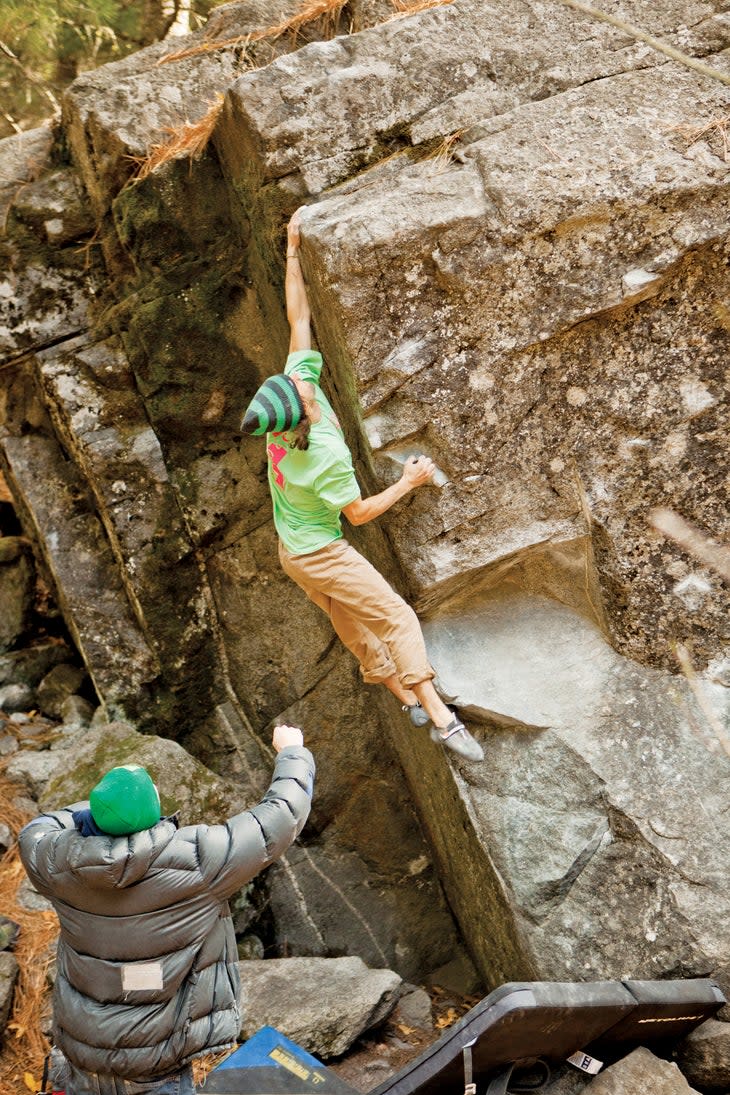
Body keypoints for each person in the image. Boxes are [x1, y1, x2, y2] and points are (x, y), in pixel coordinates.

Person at [240, 210, 483, 763]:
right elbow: (360, 513)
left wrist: (293, 253)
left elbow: (298, 319)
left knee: (349, 619)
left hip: (292, 551)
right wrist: (410, 480)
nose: (299, 377)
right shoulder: (320, 454)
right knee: (394, 616)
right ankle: (442, 719)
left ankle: (402, 697)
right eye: (295, 383)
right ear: (300, 408)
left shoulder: (293, 403)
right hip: (321, 551)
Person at [18, 725, 315, 1095]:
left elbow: (38, 826)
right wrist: (292, 752)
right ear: (152, 813)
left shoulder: (54, 861)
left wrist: (104, 808)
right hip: (157, 1064)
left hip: (82, 1056)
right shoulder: (196, 860)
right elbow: (281, 815)